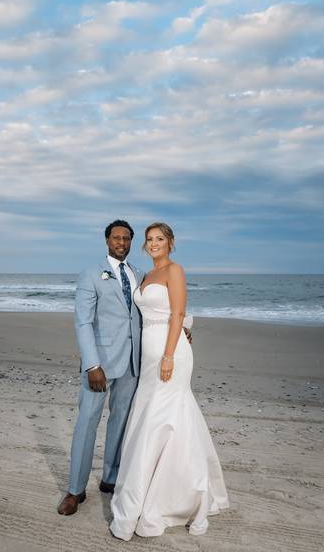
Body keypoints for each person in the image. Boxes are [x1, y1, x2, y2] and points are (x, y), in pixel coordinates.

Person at [109, 222, 229, 540]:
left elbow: (177, 314)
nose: (153, 244)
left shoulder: (175, 271)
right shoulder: (146, 275)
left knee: (166, 418)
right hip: (148, 357)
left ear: (171, 242)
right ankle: (148, 488)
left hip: (169, 353)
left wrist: (168, 355)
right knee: (152, 417)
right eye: (149, 240)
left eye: (159, 239)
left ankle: (180, 496)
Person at [58, 220, 144, 516]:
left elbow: (151, 312)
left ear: (131, 242)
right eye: (116, 237)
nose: (121, 242)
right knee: (87, 424)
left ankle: (110, 478)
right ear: (107, 240)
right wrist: (92, 364)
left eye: (126, 238)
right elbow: (83, 322)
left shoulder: (138, 274)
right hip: (101, 364)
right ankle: (75, 490)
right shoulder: (91, 273)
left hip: (132, 362)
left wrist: (183, 326)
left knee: (121, 422)